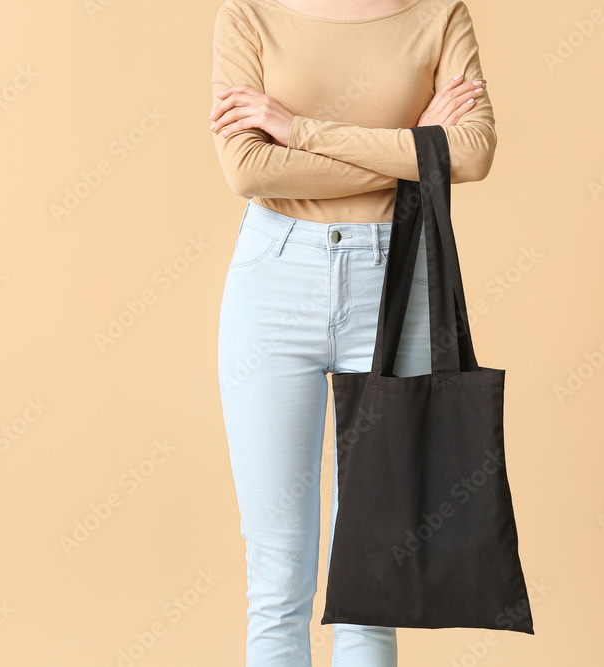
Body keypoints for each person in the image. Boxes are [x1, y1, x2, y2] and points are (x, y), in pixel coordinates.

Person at [209, 0, 496, 664]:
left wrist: (294, 128)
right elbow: (249, 170)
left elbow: (474, 152)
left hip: (395, 281)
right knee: (277, 584)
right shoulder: (248, 15)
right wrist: (419, 149)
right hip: (274, 282)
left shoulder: (439, 15)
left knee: (373, 585)